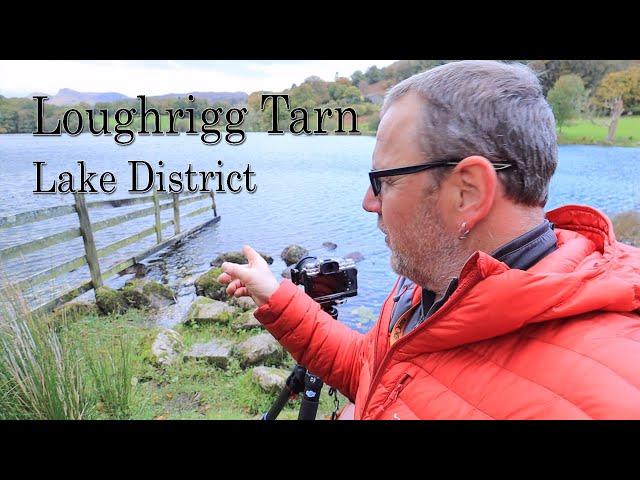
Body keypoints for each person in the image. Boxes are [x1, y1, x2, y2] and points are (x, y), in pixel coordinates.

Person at [217, 60, 640, 419]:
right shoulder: (432, 283)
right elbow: (371, 369)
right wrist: (276, 296)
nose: (368, 202)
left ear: (467, 193)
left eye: (383, 181)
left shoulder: (608, 396)